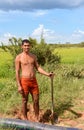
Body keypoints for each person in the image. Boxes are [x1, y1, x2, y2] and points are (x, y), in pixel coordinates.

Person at [15, 39, 54, 121]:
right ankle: (25, 118)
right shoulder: (19, 57)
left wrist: (47, 74)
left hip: (33, 81)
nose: (27, 47)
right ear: (22, 46)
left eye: (28, 45)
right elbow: (17, 72)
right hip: (24, 81)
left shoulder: (33, 56)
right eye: (25, 45)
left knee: (36, 100)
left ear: (30, 46)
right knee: (24, 100)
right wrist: (19, 85)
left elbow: (38, 68)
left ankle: (37, 118)